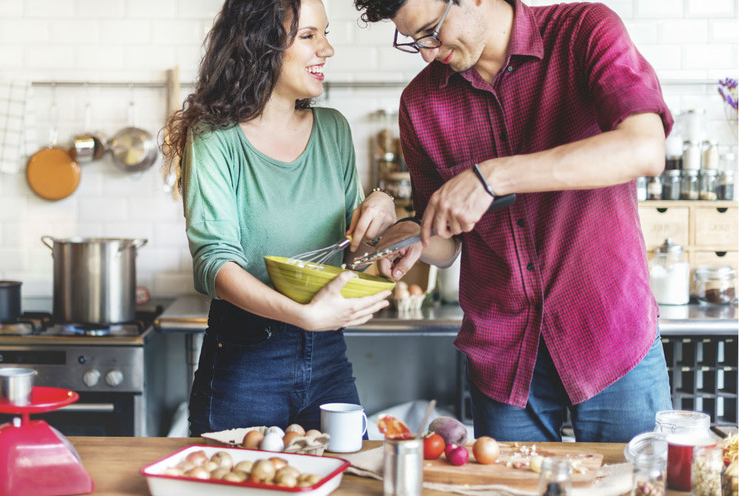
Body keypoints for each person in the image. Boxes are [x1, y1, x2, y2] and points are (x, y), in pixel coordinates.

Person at [353, 0, 674, 442]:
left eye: (431, 30)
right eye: (413, 41)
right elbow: (447, 242)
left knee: (638, 490)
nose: (427, 53)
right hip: (505, 359)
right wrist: (410, 233)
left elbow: (644, 149)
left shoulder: (584, 31)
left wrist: (493, 176)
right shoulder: (421, 103)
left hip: (611, 338)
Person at [162, 0, 396, 436]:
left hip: (327, 354)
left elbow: (357, 251)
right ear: (259, 45)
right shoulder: (215, 138)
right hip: (246, 356)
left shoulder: (334, 131)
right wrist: (301, 315)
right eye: (308, 36)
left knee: (348, 485)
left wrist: (382, 207)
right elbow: (213, 261)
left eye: (325, 35)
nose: (326, 50)